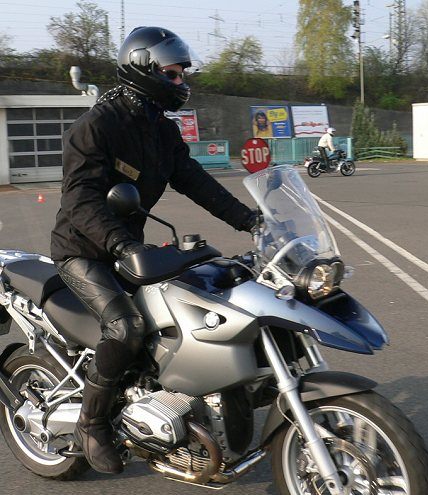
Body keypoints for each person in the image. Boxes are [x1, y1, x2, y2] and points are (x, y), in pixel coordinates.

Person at [50, 26, 256, 475]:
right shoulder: (96, 126)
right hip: (84, 251)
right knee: (126, 327)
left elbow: (195, 180)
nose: (182, 82)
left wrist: (251, 220)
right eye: (173, 74)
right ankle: (91, 424)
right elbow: (80, 201)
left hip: (128, 249)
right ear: (143, 69)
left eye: (183, 74)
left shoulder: (160, 129)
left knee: (197, 303)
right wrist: (121, 243)